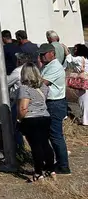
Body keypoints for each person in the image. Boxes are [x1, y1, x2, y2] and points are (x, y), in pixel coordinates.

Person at [16, 63, 55, 182]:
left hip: (31, 119)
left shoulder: (24, 88)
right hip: (45, 117)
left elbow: (23, 108)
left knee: (35, 146)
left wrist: (18, 119)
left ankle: (38, 172)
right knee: (45, 144)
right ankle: (50, 169)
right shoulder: (43, 86)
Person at [38, 43, 71, 175]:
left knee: (56, 135)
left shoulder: (55, 67)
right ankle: (57, 162)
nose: (41, 57)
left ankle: (63, 166)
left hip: (55, 103)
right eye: (40, 54)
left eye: (44, 54)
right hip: (51, 103)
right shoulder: (48, 66)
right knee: (51, 135)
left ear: (52, 53)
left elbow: (42, 83)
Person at [0, 31, 22, 120]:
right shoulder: (18, 48)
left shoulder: (3, 49)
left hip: (7, 75)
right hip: (18, 73)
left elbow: (1, 63)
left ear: (3, 38)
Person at [67, 44, 88, 125]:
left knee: (83, 102)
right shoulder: (86, 59)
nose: (74, 51)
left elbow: (69, 59)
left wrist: (66, 51)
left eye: (75, 49)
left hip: (84, 84)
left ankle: (85, 121)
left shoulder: (79, 59)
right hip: (86, 81)